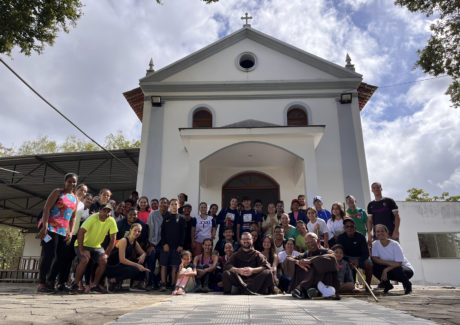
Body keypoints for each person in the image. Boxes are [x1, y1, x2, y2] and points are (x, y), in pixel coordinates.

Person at [37, 173, 79, 293]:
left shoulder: (75, 198)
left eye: (74, 182)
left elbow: (73, 217)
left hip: (62, 231)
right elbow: (47, 209)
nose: (72, 184)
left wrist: (71, 232)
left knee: (62, 257)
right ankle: (41, 283)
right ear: (65, 182)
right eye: (69, 181)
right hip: (50, 228)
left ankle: (50, 281)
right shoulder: (58, 192)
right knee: (49, 255)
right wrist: (44, 225)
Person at [71, 203, 118, 293]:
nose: (106, 213)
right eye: (104, 210)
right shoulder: (92, 218)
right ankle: (75, 284)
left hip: (96, 246)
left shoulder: (111, 220)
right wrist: (81, 250)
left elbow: (113, 239)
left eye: (108, 211)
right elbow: (81, 232)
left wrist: (107, 254)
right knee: (85, 259)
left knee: (104, 260)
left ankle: (95, 285)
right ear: (99, 211)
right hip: (82, 244)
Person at [285, 233, 339, 299]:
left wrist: (311, 261)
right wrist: (298, 262)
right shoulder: (307, 253)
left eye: (312, 241)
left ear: (318, 241)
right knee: (299, 264)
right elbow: (288, 258)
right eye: (308, 242)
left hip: (323, 283)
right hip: (310, 282)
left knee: (315, 264)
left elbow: (332, 258)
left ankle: (303, 289)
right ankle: (309, 290)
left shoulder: (327, 252)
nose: (310, 244)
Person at [58, 191, 93, 292]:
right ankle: (58, 281)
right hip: (68, 234)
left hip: (78, 237)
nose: (89, 200)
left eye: (90, 199)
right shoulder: (76, 206)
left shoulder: (87, 211)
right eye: (87, 198)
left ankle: (67, 282)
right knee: (63, 258)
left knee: (72, 260)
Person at [106, 223, 150, 292]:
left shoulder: (134, 242)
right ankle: (113, 280)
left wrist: (143, 256)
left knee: (141, 261)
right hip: (112, 267)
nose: (137, 233)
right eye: (135, 230)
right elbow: (122, 260)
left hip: (121, 266)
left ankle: (135, 285)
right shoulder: (124, 240)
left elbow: (143, 253)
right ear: (130, 230)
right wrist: (138, 265)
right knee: (136, 268)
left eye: (139, 231)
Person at [372, 224, 414, 294]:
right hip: (391, 268)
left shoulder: (395, 244)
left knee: (396, 268)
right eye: (378, 231)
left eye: (382, 231)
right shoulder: (375, 244)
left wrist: (385, 270)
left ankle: (408, 285)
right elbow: (375, 259)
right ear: (375, 234)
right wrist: (388, 265)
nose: (380, 233)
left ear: (387, 232)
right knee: (373, 265)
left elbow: (399, 263)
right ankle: (387, 285)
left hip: (405, 270)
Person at [337, 218, 373, 288]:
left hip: (360, 258)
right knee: (342, 265)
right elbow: (339, 252)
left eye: (351, 226)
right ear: (344, 228)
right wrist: (348, 260)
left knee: (369, 264)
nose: (349, 228)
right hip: (347, 258)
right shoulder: (340, 238)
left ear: (355, 227)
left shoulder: (361, 237)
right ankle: (351, 284)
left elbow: (366, 253)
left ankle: (367, 286)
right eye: (347, 226)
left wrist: (358, 261)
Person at [159, 199, 185, 291]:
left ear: (178, 206)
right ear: (169, 206)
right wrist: (164, 244)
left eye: (176, 204)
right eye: (172, 204)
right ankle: (163, 283)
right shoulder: (166, 217)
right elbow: (162, 232)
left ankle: (173, 284)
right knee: (163, 265)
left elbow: (183, 233)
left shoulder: (181, 218)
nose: (174, 206)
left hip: (176, 246)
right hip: (166, 246)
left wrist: (181, 245)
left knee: (175, 266)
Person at [146, 197, 169, 289]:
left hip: (164, 244)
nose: (163, 204)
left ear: (168, 205)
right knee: (151, 261)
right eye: (162, 203)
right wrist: (150, 244)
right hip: (153, 244)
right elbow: (149, 228)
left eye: (165, 203)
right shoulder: (153, 214)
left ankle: (157, 281)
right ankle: (150, 283)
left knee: (164, 264)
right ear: (159, 205)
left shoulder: (170, 215)